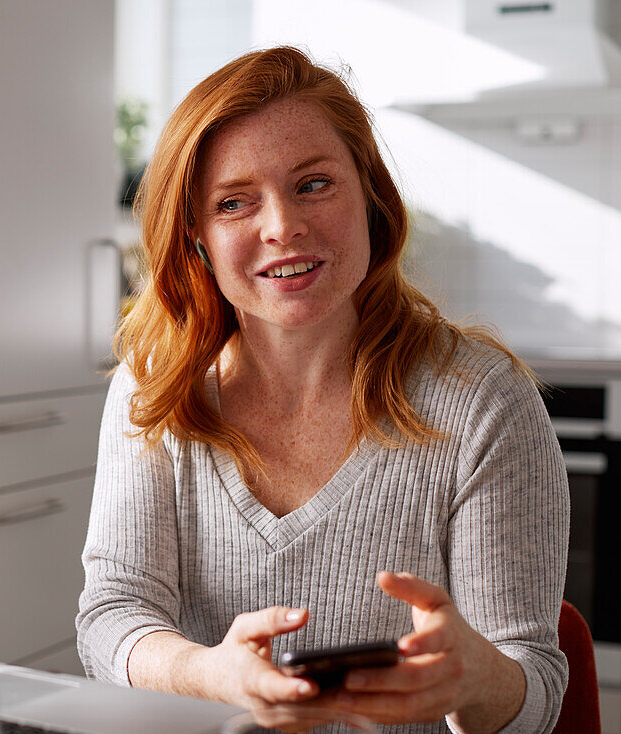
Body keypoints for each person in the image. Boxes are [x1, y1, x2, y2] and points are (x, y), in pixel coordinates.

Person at [76, 46, 569, 733]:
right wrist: (211, 673)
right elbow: (113, 615)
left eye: (313, 185)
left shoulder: (482, 401)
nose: (281, 226)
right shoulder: (155, 390)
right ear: (197, 236)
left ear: (369, 193)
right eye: (233, 202)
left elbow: (535, 688)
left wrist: (475, 677)